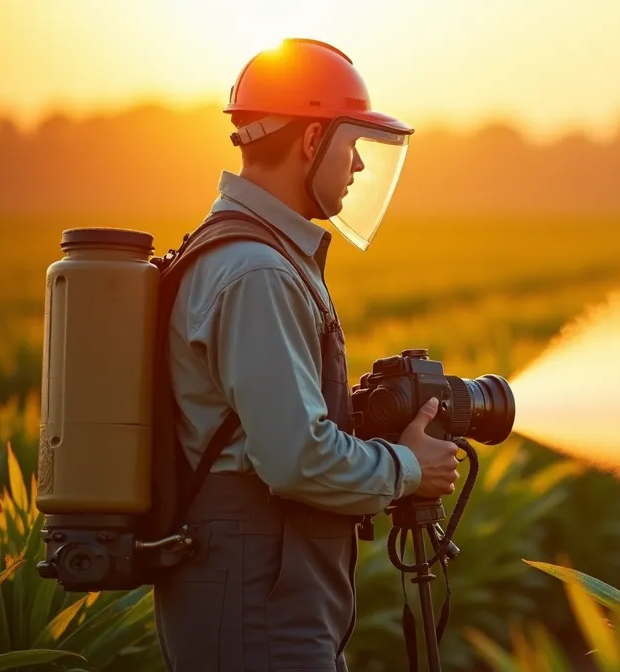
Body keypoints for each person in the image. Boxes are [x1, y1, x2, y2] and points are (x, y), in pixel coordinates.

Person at [152, 38, 461, 671]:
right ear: (312, 139)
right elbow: (297, 459)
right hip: (255, 597)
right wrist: (408, 467)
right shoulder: (257, 271)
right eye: (352, 147)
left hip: (266, 591)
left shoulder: (250, 254)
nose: (358, 168)